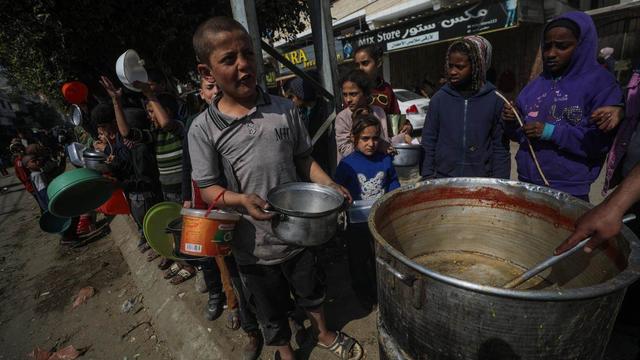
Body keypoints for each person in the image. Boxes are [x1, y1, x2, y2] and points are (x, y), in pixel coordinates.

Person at [189, 16, 364, 360]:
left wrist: (329, 184)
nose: (243, 65)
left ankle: (324, 334)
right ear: (206, 72)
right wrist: (240, 200)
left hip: (298, 234)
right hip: (251, 244)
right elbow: (208, 188)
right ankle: (285, 352)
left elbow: (303, 159)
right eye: (228, 59)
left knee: (311, 290)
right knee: (269, 306)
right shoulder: (203, 129)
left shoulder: (284, 110)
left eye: (247, 54)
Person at [502, 12, 623, 201]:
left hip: (568, 189)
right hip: (527, 183)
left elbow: (597, 143)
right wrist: (511, 120)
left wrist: (550, 132)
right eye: (547, 46)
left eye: (562, 46)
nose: (551, 54)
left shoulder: (601, 84)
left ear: (582, 45)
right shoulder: (536, 85)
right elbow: (518, 135)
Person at [421, 35, 510, 179]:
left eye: (460, 67)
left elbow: (500, 147)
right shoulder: (439, 99)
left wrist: (501, 183)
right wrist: (427, 176)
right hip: (444, 179)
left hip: (482, 180)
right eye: (450, 66)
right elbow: (428, 141)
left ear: (477, 66)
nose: (453, 72)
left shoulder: (495, 100)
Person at [334, 112, 399, 308]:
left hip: (380, 221)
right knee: (358, 259)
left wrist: (393, 195)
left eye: (375, 138)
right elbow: (336, 188)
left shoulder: (385, 160)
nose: (370, 143)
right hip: (356, 224)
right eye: (365, 139)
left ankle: (381, 291)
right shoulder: (347, 164)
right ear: (354, 139)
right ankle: (362, 293)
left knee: (379, 257)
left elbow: (393, 181)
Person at [335, 69, 390, 162]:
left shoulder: (378, 112)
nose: (348, 100)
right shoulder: (342, 118)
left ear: (366, 93)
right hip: (353, 170)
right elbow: (345, 149)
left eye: (353, 94)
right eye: (345, 95)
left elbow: (385, 140)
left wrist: (403, 136)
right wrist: (379, 146)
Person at [284, 76, 332, 172]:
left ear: (300, 95)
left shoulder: (323, 110)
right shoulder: (303, 111)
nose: (292, 101)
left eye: (292, 96)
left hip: (324, 159)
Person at [354, 44, 401, 134]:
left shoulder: (386, 88)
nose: (360, 68)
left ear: (378, 63)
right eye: (357, 65)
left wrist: (405, 125)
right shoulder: (353, 90)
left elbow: (395, 122)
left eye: (365, 63)